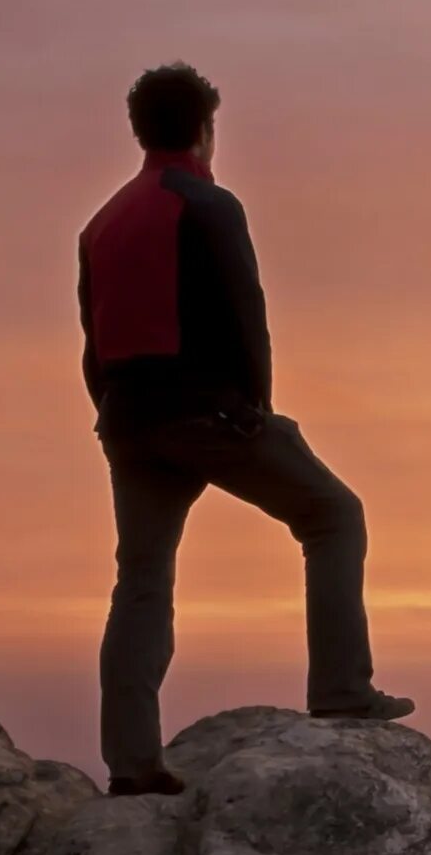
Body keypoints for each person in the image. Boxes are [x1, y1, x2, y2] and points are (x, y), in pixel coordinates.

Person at [77, 63, 413, 796]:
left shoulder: (100, 223)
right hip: (207, 412)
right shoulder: (209, 205)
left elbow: (92, 343)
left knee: (141, 581)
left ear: (140, 130)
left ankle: (132, 766)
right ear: (205, 129)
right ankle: (342, 691)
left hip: (128, 421)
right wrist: (256, 411)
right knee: (333, 515)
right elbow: (245, 312)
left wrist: (114, 418)